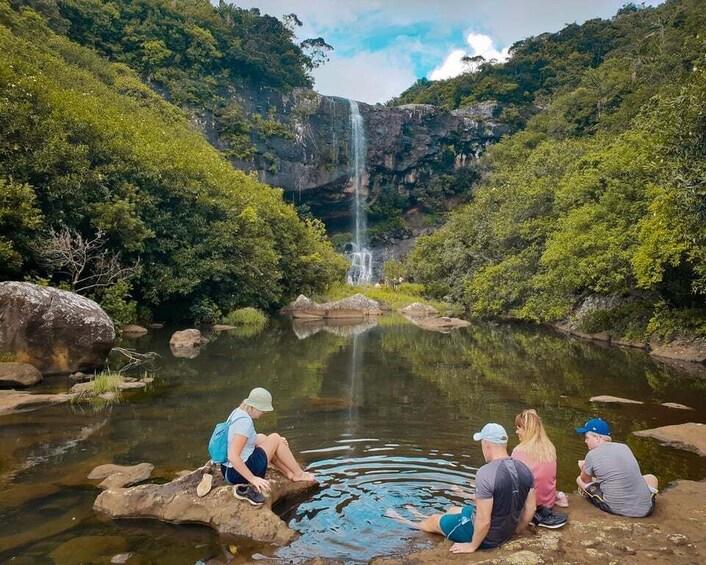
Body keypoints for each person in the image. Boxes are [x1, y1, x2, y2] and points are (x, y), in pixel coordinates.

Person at [385, 423, 536, 554]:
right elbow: (531, 508)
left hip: (486, 538)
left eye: (482, 443)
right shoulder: (524, 469)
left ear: (487, 444)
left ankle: (402, 519)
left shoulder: (486, 473)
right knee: (454, 509)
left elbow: (483, 521)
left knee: (431, 521)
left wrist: (472, 546)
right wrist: (515, 530)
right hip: (504, 531)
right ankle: (419, 515)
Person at [221, 387, 316, 505]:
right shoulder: (245, 423)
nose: (265, 413)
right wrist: (253, 479)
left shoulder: (237, 412)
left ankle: (287, 472)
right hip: (238, 475)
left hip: (227, 471)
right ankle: (299, 474)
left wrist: (274, 443)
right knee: (275, 437)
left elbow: (249, 440)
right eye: (263, 409)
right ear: (254, 407)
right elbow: (233, 456)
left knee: (264, 438)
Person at [575, 418, 658, 517]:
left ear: (597, 438)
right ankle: (643, 499)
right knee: (651, 478)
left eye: (587, 437)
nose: (585, 441)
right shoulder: (624, 447)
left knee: (579, 479)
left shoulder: (591, 455)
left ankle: (590, 496)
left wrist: (583, 467)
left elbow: (586, 480)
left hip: (616, 508)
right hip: (646, 509)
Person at [512, 410, 569, 528]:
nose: (516, 431)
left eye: (519, 428)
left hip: (530, 505)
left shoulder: (519, 451)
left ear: (527, 429)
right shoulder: (550, 447)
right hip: (548, 502)